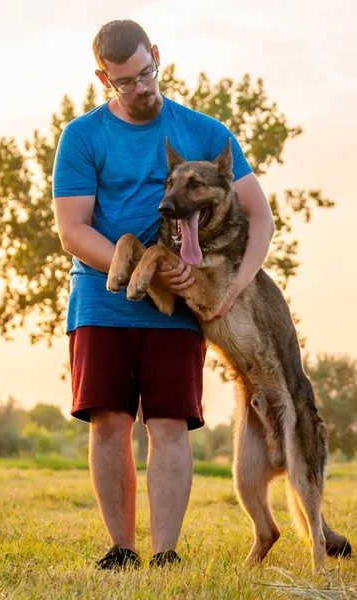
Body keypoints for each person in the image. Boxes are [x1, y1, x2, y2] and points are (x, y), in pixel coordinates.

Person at [52, 19, 275, 569]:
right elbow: (72, 230)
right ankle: (121, 550)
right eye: (125, 82)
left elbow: (260, 218)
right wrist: (146, 273)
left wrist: (230, 292)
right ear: (104, 78)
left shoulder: (205, 132)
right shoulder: (82, 137)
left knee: (170, 423)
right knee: (108, 422)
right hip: (102, 298)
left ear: (156, 56)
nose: (141, 87)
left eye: (146, 73)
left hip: (182, 303)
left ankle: (165, 554)